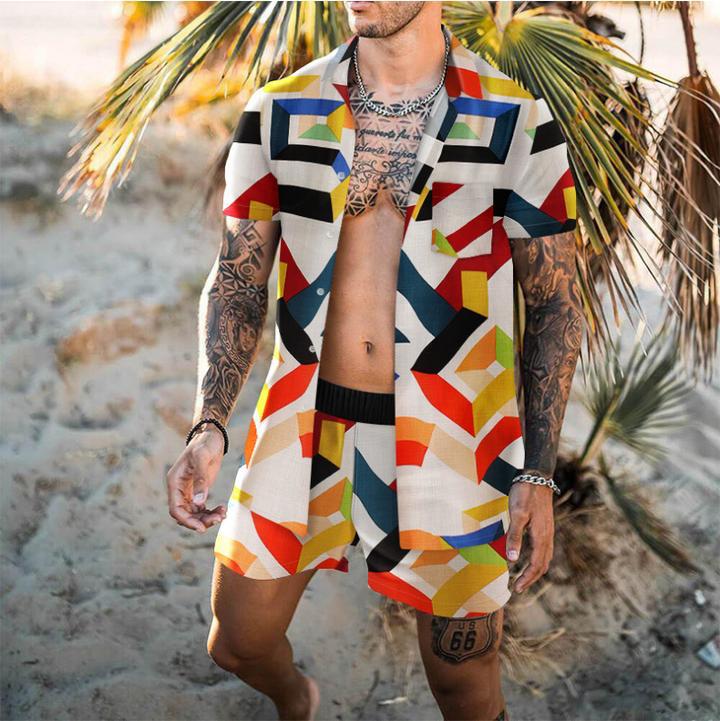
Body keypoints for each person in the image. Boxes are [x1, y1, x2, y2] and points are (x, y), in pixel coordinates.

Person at [166, 2, 582, 719]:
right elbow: (236, 278)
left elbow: (555, 306)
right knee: (237, 642)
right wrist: (209, 423)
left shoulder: (516, 120)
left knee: (464, 682)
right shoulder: (279, 110)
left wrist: (537, 472)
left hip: (454, 437)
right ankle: (297, 698)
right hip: (305, 426)